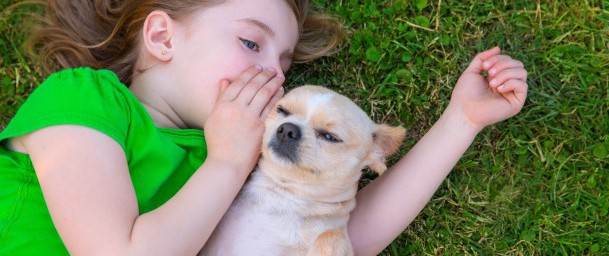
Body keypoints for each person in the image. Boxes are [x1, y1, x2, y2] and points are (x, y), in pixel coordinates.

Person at [0, 0, 528, 255]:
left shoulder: (239, 153)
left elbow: (345, 233)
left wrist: (461, 121)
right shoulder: (83, 99)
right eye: (251, 43)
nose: (273, 74)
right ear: (162, 37)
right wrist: (226, 162)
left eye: (284, 64)